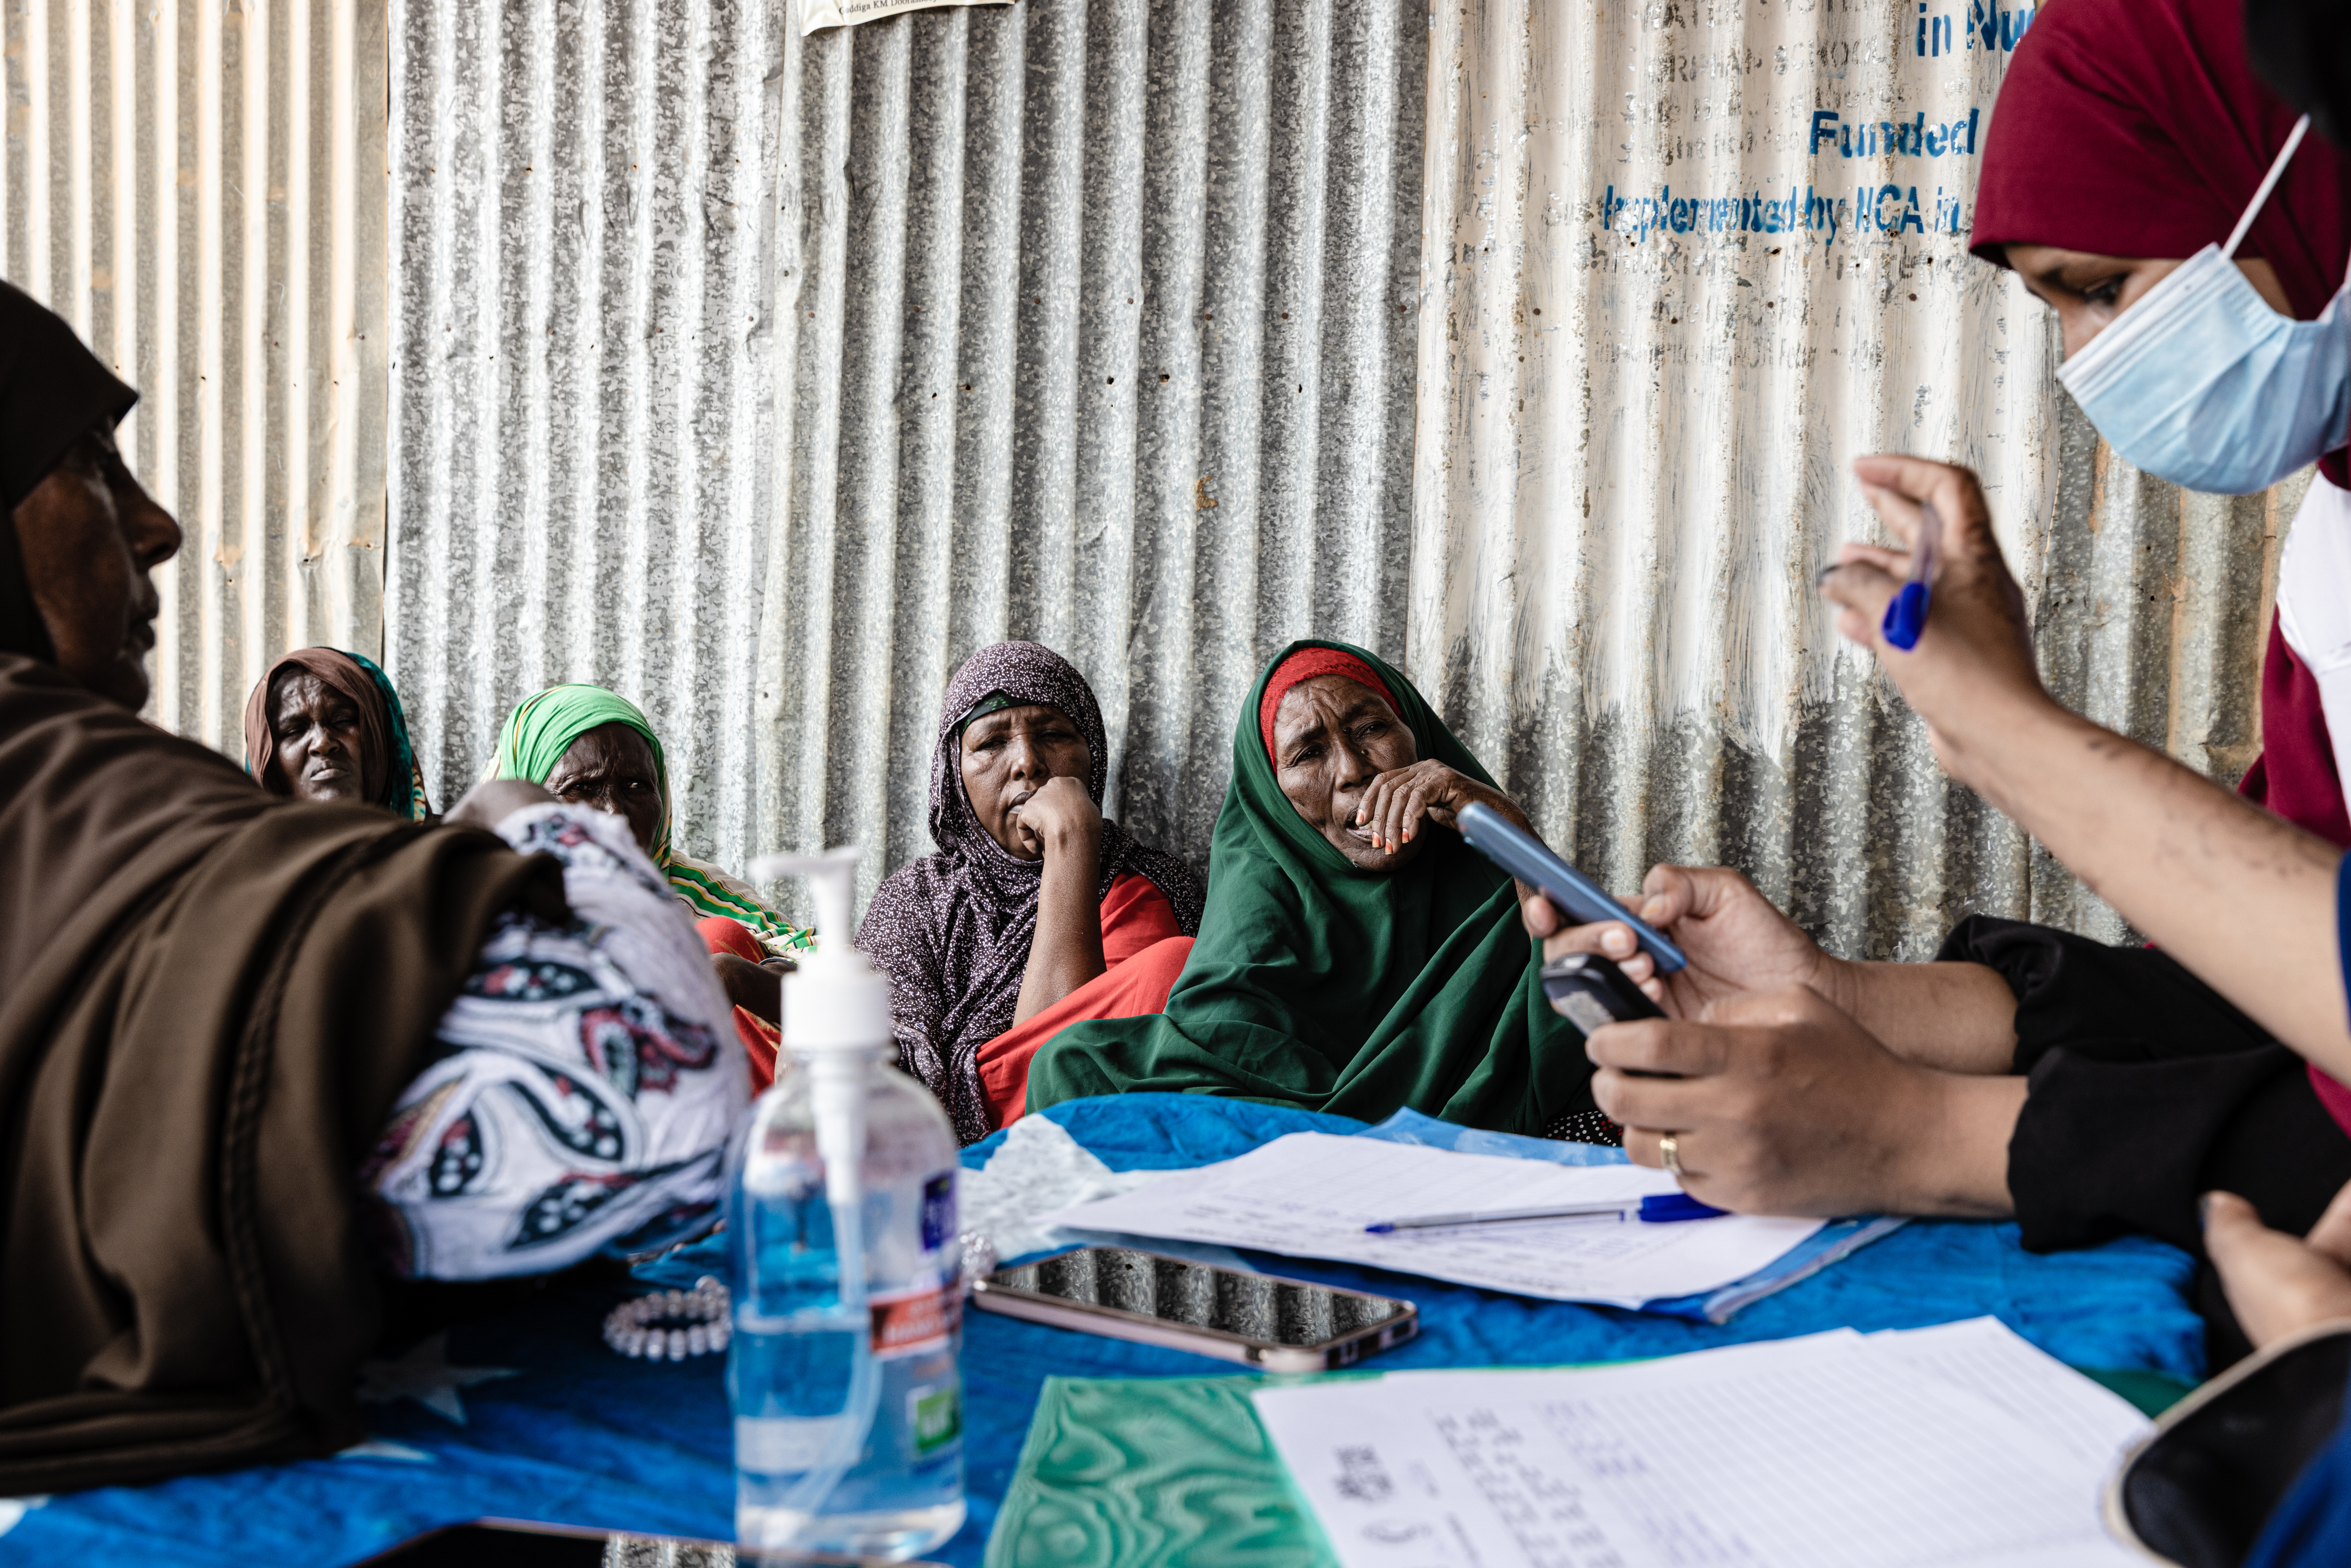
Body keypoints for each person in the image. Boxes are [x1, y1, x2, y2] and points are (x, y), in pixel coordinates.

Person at [0, 282, 742, 1493]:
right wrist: (523, 825)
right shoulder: (83, 816)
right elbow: (657, 1100)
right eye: (90, 461)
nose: (157, 524)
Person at [1023, 639, 1608, 1139]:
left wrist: (1498, 821)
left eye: (1372, 728)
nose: (1354, 769)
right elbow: (1216, 1047)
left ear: (1416, 733)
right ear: (1277, 801)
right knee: (1075, 1064)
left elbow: (1604, 996)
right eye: (1309, 752)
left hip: (1471, 1163)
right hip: (1329, 1156)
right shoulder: (1265, 897)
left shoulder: (1498, 891)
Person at [858, 641, 1204, 1144]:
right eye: (991, 742)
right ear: (954, 775)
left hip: (1073, 1138)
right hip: (915, 1141)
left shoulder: (1145, 884)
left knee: (1170, 965)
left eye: (1053, 735)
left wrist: (1071, 846)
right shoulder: (917, 895)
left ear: (1093, 755)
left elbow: (1063, 1066)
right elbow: (886, 1063)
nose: (1027, 762)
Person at [484, 683, 812, 1086]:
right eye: (581, 789)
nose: (615, 814)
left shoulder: (697, 896)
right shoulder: (474, 900)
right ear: (525, 796)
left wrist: (740, 977)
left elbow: (841, 981)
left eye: (637, 787)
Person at [243, 646, 434, 818]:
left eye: (342, 721)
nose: (322, 743)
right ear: (267, 765)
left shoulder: (448, 853)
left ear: (382, 735)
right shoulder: (240, 857)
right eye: (294, 731)